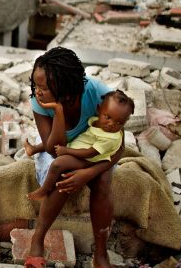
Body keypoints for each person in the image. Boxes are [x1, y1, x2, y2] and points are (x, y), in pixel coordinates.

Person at [23, 47, 125, 268]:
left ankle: (101, 253)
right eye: (35, 85)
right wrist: (58, 111)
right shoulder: (38, 101)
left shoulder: (98, 94)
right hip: (62, 152)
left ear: (66, 88)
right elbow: (53, 148)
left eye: (43, 87)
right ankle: (37, 239)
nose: (37, 92)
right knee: (63, 173)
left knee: (103, 180)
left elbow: (119, 147)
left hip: (94, 152)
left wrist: (88, 173)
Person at [26, 90, 134, 201]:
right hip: (79, 146)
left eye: (119, 122)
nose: (111, 124)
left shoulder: (111, 138)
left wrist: (67, 151)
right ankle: (34, 149)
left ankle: (44, 191)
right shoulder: (97, 121)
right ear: (98, 110)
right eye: (108, 117)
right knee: (54, 142)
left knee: (57, 164)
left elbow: (90, 152)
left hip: (89, 159)